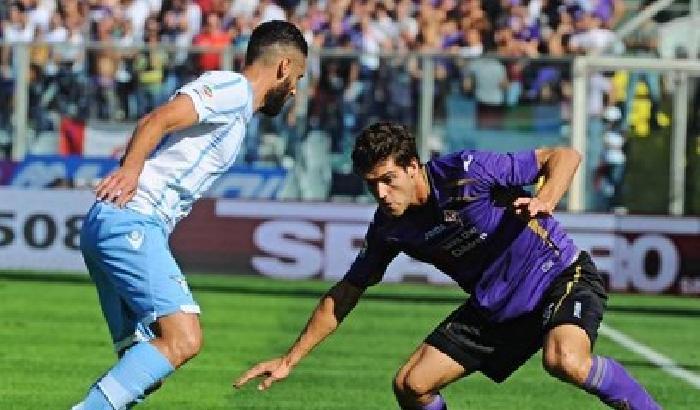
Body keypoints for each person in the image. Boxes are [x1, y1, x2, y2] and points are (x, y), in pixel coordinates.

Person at [235, 122, 661, 410]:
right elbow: (345, 293)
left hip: (557, 275)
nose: (381, 194)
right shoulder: (389, 228)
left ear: (412, 167)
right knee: (411, 385)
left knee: (565, 359)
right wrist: (290, 359)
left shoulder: (467, 172)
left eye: (388, 180)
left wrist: (545, 199)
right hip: (495, 305)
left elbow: (564, 155)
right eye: (372, 185)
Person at [73, 20, 307, 409]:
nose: (295, 89)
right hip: (132, 218)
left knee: (144, 367)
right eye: (297, 77)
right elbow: (158, 119)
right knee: (184, 338)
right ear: (283, 67)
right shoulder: (233, 89)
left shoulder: (238, 108)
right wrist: (131, 169)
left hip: (116, 221)